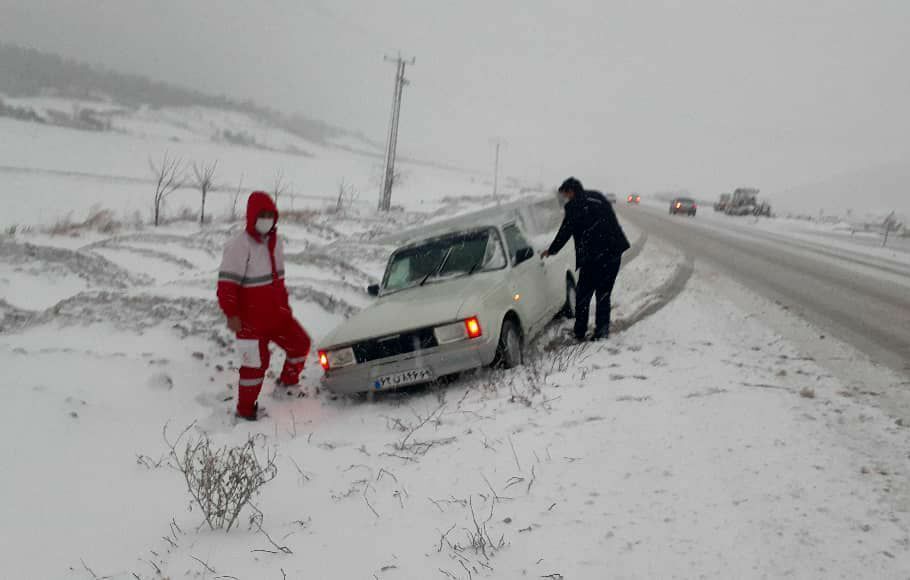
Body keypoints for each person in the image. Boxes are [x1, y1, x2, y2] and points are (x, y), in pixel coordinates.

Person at [217, 191, 311, 420]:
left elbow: (278, 281)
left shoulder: (276, 243)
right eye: (262, 214)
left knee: (300, 344)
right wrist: (232, 314)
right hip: (250, 322)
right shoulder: (238, 245)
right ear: (252, 216)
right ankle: (245, 412)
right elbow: (227, 286)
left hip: (278, 317)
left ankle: (287, 384)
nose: (267, 219)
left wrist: (284, 307)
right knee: (255, 367)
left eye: (271, 214)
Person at [541, 177, 630, 341]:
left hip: (594, 258)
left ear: (571, 191)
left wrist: (551, 250)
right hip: (613, 253)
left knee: (582, 295)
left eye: (565, 195)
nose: (565, 199)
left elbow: (565, 232)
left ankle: (580, 332)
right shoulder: (597, 196)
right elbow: (611, 222)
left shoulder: (574, 205)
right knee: (603, 294)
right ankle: (602, 331)